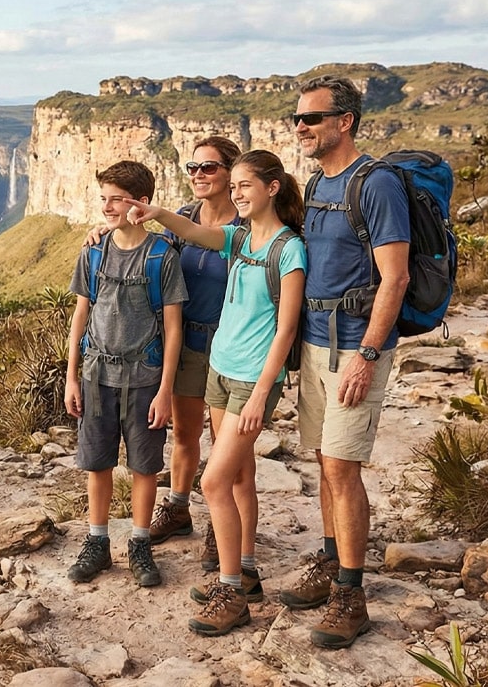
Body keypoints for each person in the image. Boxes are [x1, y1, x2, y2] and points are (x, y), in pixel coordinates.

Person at [124, 150, 306, 636]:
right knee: (240, 475)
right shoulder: (240, 238)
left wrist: (261, 393)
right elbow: (196, 234)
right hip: (219, 370)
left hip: (250, 381)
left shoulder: (288, 249)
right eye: (237, 186)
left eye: (247, 185)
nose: (239, 193)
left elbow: (286, 330)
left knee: (213, 483)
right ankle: (244, 571)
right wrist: (152, 213)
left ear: (272, 188)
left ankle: (230, 592)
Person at [278, 75, 410, 649]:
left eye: (311, 119)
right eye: (297, 120)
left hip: (354, 345)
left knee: (341, 467)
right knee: (321, 460)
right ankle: (332, 562)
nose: (301, 128)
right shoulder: (317, 181)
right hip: (311, 341)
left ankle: (351, 595)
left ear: (345, 122)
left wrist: (368, 353)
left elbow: (396, 276)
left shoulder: (374, 184)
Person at [86, 136, 242, 567]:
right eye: (193, 168)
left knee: (228, 445)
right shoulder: (183, 218)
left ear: (232, 173)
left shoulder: (246, 224)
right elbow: (142, 238)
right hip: (188, 342)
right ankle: (177, 507)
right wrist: (106, 227)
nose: (198, 175)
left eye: (209, 168)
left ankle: (222, 529)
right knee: (187, 435)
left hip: (230, 343)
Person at [64, 160, 188, 587]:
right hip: (97, 374)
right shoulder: (93, 252)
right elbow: (80, 317)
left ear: (142, 202)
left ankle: (138, 544)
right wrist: (70, 377)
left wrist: (165, 390)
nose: (107, 206)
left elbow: (174, 329)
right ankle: (97, 543)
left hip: (145, 377)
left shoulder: (161, 257)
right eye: (103, 198)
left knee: (144, 465)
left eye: (117, 198)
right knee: (96, 462)